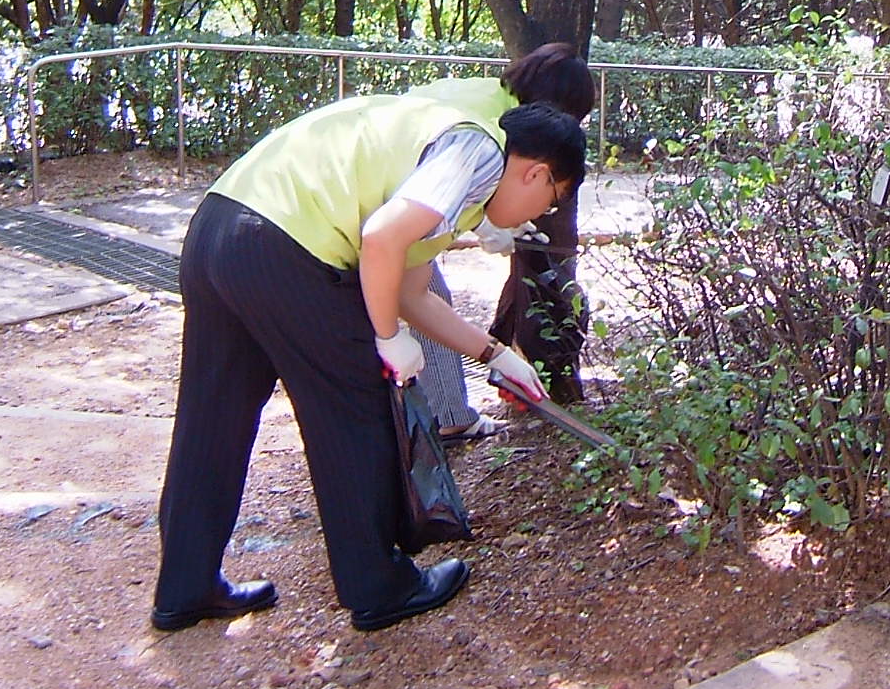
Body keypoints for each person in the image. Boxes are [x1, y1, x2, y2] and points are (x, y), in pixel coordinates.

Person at [150, 91, 585, 634]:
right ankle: (379, 585)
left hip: (221, 227)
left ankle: (185, 586)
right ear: (537, 174)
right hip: (288, 246)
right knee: (358, 410)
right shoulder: (479, 152)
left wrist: (494, 353)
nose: (538, 215)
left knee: (213, 416)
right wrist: (386, 339)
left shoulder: (447, 153)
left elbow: (410, 294)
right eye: (549, 199)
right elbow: (380, 239)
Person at [408, 43, 598, 442]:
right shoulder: (498, 125)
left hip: (373, 203)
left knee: (422, 291)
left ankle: (449, 413)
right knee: (422, 294)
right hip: (362, 215)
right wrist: (494, 226)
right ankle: (450, 416)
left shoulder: (484, 93)